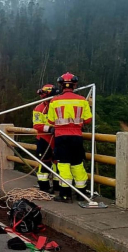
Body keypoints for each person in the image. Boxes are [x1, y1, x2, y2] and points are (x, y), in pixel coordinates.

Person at [48, 72, 92, 203]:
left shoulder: (54, 101)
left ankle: (65, 195)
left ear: (61, 85)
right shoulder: (82, 100)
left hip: (61, 137)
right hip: (77, 137)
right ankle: (81, 193)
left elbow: (50, 120)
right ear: (75, 85)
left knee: (63, 165)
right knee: (77, 164)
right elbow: (88, 119)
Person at [33, 84, 59, 193]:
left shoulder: (59, 106)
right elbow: (36, 124)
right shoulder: (39, 108)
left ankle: (59, 186)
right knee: (44, 162)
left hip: (58, 139)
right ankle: (44, 186)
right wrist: (49, 129)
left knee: (58, 163)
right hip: (44, 139)